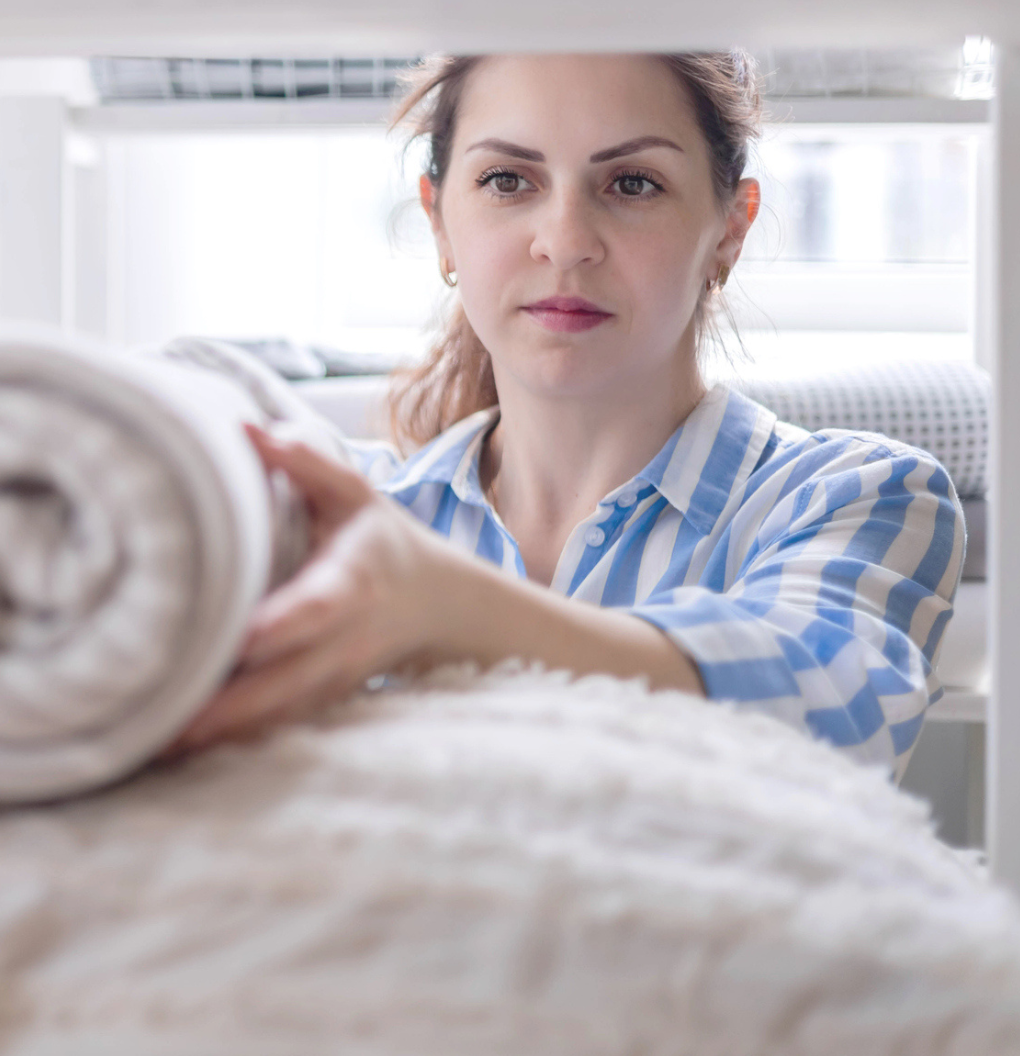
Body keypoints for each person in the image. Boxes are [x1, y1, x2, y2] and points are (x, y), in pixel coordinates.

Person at [165, 52, 964, 776]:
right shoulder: (345, 515)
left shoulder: (855, 495)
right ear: (439, 222)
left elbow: (830, 715)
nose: (566, 241)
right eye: (508, 181)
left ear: (730, 230)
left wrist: (449, 609)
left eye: (632, 183)